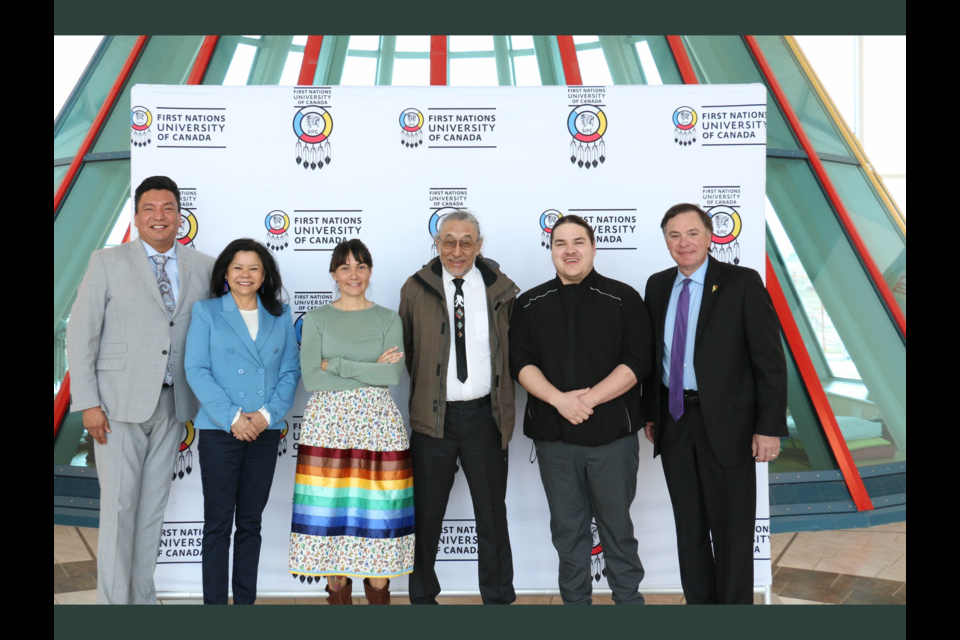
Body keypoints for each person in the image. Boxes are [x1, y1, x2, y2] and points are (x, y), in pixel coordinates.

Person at [66, 176, 216, 604]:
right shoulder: (107, 262)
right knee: (117, 511)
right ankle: (113, 608)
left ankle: (142, 602)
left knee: (151, 512)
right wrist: (89, 403)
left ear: (180, 215)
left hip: (175, 406)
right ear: (136, 215)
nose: (159, 217)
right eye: (150, 208)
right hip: (116, 407)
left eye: (167, 208)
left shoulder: (202, 266)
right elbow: (80, 336)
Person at [642, 204, 788, 605]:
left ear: (710, 237)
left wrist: (769, 425)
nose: (683, 243)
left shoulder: (741, 283)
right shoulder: (656, 286)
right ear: (666, 242)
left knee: (733, 533)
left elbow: (770, 363)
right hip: (675, 423)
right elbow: (653, 358)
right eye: (674, 235)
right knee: (689, 530)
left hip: (731, 427)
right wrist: (652, 413)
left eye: (692, 233)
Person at [509, 215, 654, 606]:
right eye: (560, 243)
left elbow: (638, 361)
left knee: (617, 530)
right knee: (568, 533)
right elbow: (520, 363)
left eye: (578, 242)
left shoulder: (624, 299)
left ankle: (629, 606)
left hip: (612, 441)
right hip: (555, 443)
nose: (569, 250)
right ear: (552, 250)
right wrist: (559, 401)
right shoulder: (528, 304)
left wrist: (585, 401)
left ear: (593, 247)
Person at [400, 210, 520, 605]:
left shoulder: (501, 289)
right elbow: (410, 351)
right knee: (426, 513)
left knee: (491, 514)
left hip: (485, 417)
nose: (456, 250)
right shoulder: (415, 289)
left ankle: (499, 599)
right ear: (436, 244)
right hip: (434, 420)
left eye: (465, 242)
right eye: (448, 241)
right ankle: (422, 599)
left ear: (479, 246)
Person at [288, 239, 411, 605]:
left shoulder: (388, 318)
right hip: (327, 425)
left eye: (360, 266)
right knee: (329, 520)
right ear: (333, 274)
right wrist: (369, 368)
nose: (353, 274)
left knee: (379, 524)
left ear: (370, 271)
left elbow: (392, 376)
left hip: (380, 427)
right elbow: (312, 378)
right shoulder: (318, 319)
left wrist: (337, 364)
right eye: (345, 267)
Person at [184, 239, 301, 605]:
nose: (245, 275)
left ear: (265, 274)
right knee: (218, 524)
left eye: (254, 268)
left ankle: (245, 604)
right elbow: (196, 369)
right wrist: (234, 417)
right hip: (221, 429)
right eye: (238, 268)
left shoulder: (281, 315)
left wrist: (265, 416)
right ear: (225, 273)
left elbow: (290, 371)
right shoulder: (206, 312)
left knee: (251, 522)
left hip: (264, 431)